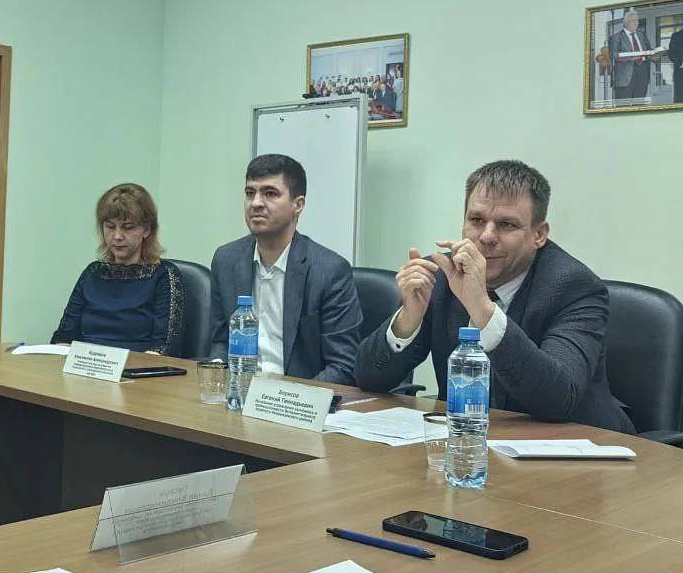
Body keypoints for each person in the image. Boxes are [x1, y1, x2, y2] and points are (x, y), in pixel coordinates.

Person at [354, 159, 633, 433]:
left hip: (580, 447)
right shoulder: (440, 276)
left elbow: (558, 400)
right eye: (476, 220)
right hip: (468, 444)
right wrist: (408, 319)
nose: (487, 236)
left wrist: (483, 310)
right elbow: (369, 379)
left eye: (506, 224)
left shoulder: (574, 287)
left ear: (539, 234)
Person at [209, 154, 361, 385]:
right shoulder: (226, 260)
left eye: (270, 193)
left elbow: (342, 366)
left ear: (297, 205)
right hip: (239, 394)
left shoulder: (330, 271)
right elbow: (221, 341)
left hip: (297, 398)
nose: (256, 203)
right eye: (250, 193)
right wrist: (216, 374)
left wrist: (285, 398)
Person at [53, 184, 184, 353]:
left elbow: (165, 348)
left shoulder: (164, 276)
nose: (117, 236)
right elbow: (64, 337)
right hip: (88, 364)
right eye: (110, 226)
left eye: (127, 227)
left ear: (146, 230)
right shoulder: (93, 273)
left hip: (139, 367)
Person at [608, 10, 653, 101]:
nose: (636, 23)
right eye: (633, 21)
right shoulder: (616, 37)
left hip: (642, 72)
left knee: (639, 103)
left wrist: (654, 54)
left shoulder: (642, 35)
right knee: (624, 105)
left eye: (637, 20)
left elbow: (648, 50)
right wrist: (631, 58)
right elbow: (614, 55)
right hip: (624, 76)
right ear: (626, 23)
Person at [668, 24, 683, 105]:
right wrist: (680, 62)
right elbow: (671, 54)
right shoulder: (676, 36)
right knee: (680, 101)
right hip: (681, 74)